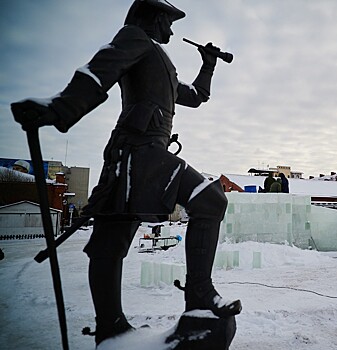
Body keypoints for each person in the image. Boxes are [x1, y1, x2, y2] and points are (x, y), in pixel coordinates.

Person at [11, 0, 240, 345]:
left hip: (146, 153)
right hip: (137, 151)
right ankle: (198, 295)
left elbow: (193, 97)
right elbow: (98, 71)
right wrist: (58, 108)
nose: (172, 29)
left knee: (111, 239)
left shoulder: (160, 60)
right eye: (168, 21)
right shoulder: (134, 38)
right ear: (153, 18)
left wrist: (207, 66)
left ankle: (111, 327)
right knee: (209, 199)